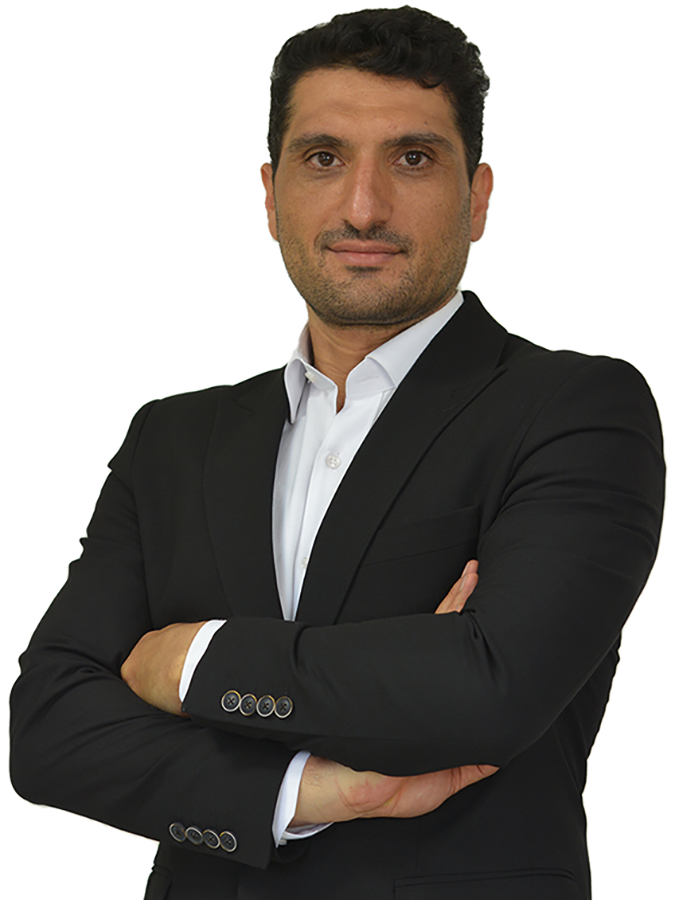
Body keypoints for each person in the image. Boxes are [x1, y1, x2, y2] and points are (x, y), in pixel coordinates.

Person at [10, 6, 665, 899]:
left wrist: (191, 662)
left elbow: (489, 691)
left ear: (476, 198)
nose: (363, 206)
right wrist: (307, 790)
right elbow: (48, 730)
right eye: (323, 158)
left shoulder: (574, 408)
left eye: (412, 158)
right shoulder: (174, 437)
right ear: (270, 194)